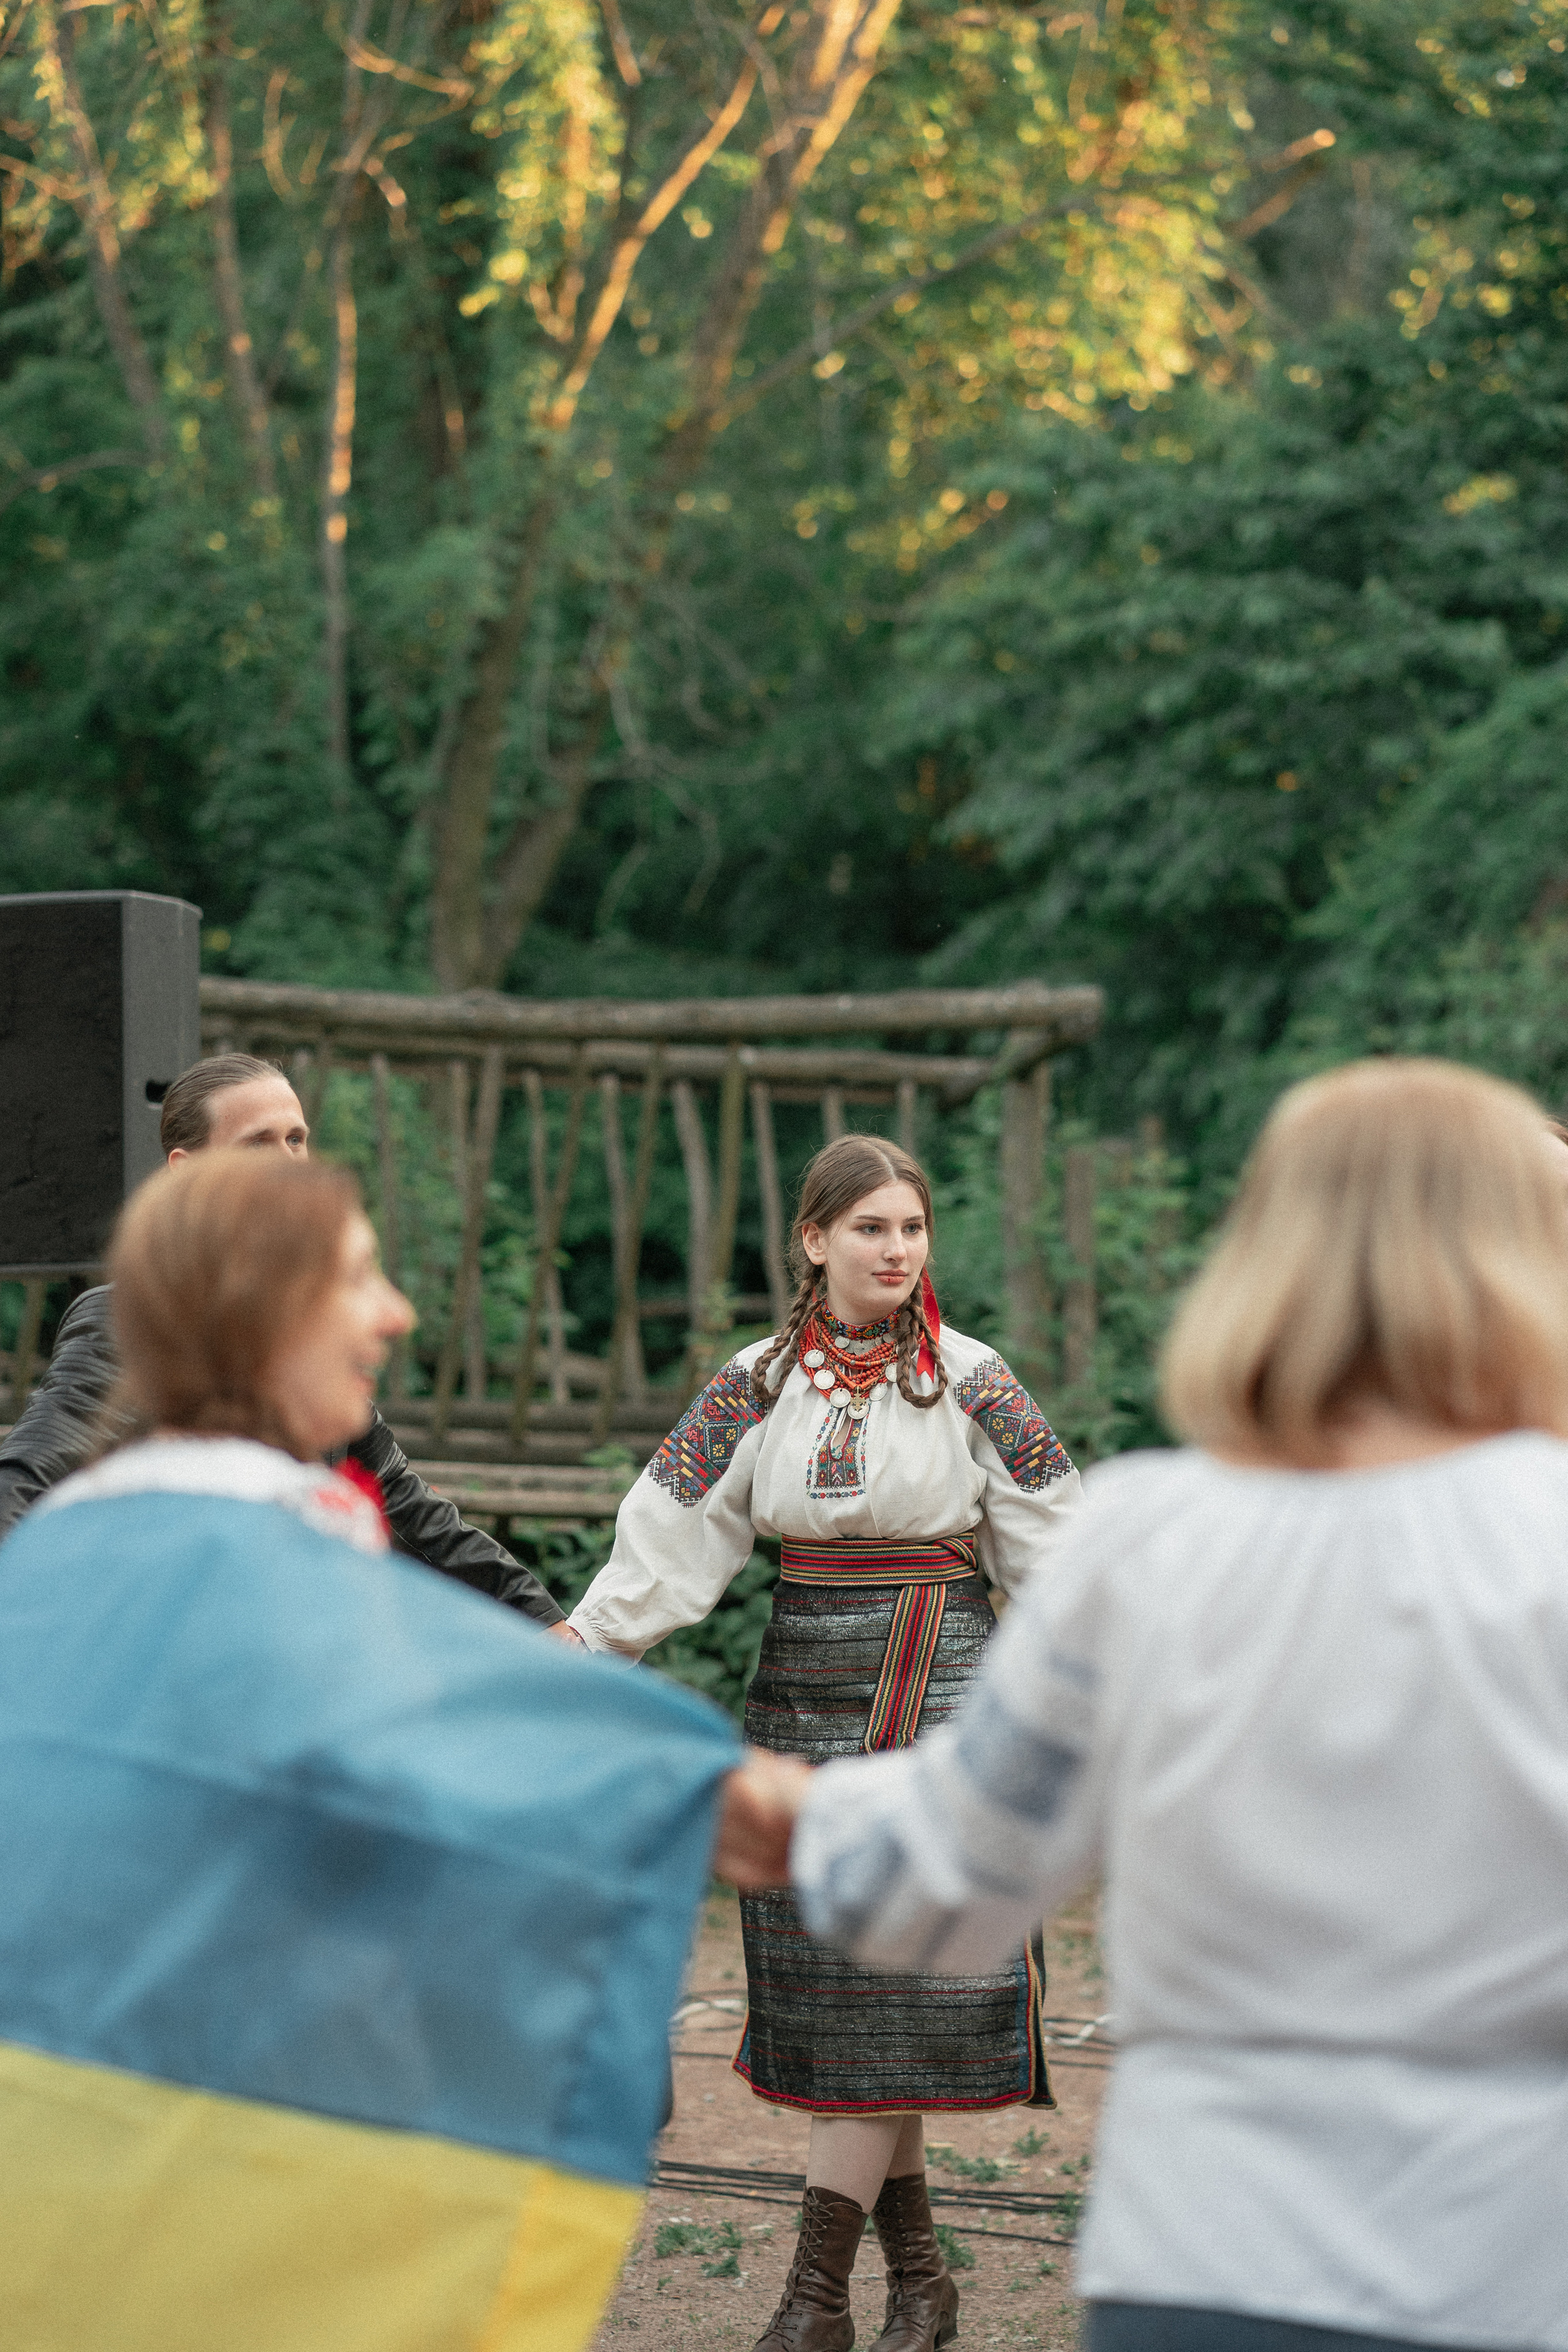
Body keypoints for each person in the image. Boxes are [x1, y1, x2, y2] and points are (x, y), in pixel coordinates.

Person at [724, 1058, 1568, 2352]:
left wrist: (764, 1812)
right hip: (1510, 2261)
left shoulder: (1148, 1542)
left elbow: (947, 1877)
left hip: (1205, 2258)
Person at [0, 1150, 742, 2352]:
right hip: (243, 2120)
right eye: (357, 1279)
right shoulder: (261, 1550)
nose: (394, 1312)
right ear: (259, 1314)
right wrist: (669, 1792)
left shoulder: (80, 1546)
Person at [568, 1133, 1084, 2352]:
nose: (895, 1249)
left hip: (935, 1697)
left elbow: (1060, 1549)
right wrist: (583, 1648)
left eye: (909, 1228)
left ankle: (810, 2305)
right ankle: (920, 2285)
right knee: (840, 2003)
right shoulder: (752, 1383)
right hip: (799, 1696)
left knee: (889, 1997)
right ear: (813, 1241)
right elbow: (670, 1529)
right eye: (868, 1229)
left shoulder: (976, 1381)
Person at [0, 1050, 574, 1634]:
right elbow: (22, 1488)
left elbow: (414, 1513)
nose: (288, 1161)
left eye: (296, 1138)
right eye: (258, 1142)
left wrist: (550, 1625)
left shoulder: (305, 1332)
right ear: (187, 1170)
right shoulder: (130, 1321)